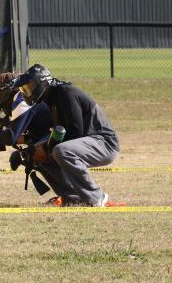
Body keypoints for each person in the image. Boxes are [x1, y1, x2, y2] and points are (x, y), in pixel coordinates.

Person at [11, 64, 125, 207]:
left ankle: (98, 198)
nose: (28, 92)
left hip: (104, 143)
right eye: (25, 89)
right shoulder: (51, 97)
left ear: (43, 83)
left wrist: (46, 148)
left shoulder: (66, 92)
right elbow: (56, 132)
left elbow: (75, 133)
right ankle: (73, 198)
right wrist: (33, 148)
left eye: (30, 87)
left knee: (60, 150)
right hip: (88, 142)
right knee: (36, 153)